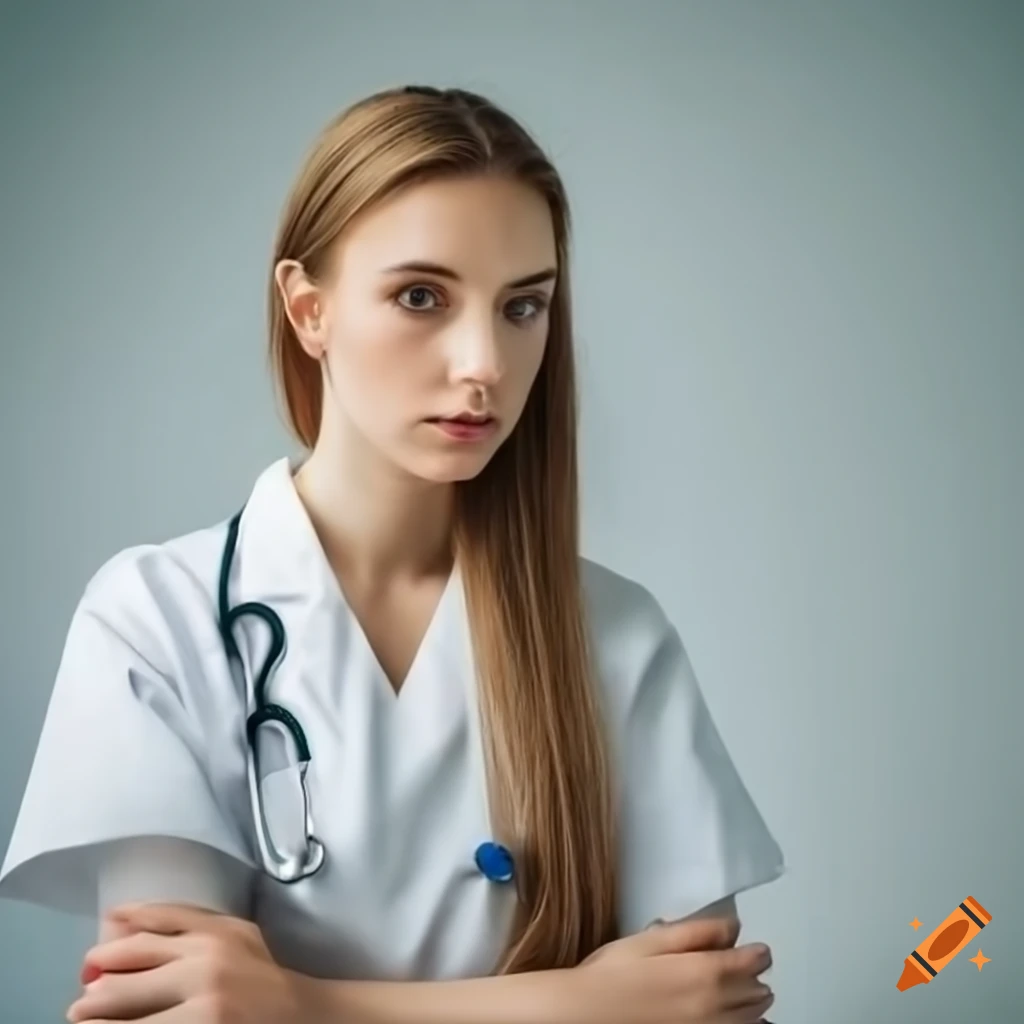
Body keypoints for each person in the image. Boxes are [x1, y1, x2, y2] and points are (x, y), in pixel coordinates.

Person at [0, 85, 783, 1023]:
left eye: (522, 307)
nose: (485, 363)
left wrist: (299, 1003)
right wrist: (580, 1003)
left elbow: (701, 1001)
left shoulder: (614, 637)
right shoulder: (156, 620)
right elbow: (180, 1013)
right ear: (309, 310)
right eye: (422, 296)